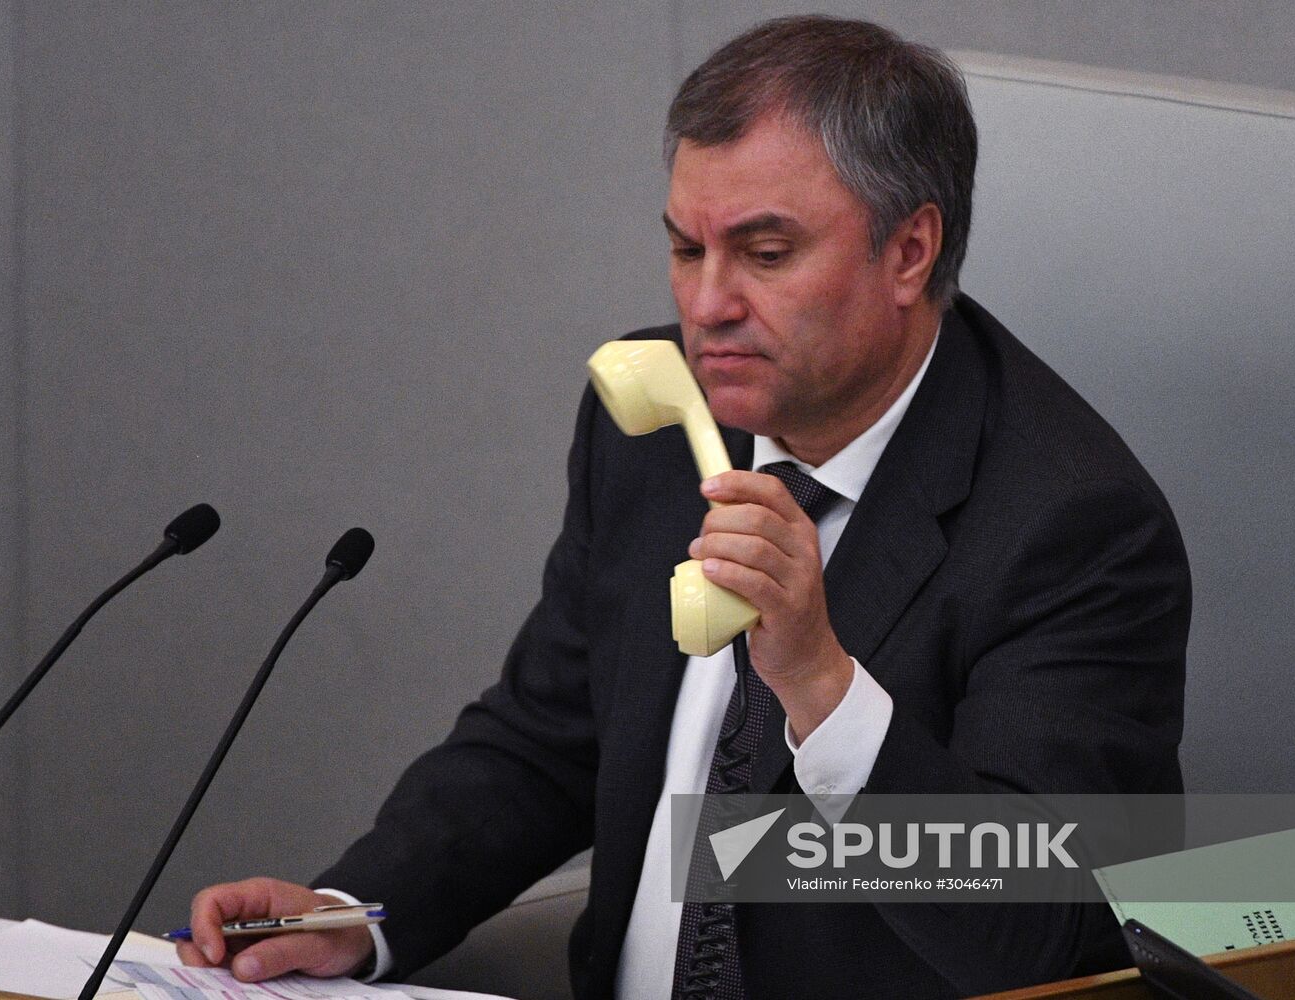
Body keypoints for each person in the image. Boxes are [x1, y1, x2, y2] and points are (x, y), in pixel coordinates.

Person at [178, 16, 1190, 999]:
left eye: (764, 252)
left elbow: (1049, 936)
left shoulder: (1073, 524)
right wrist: (352, 911)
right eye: (684, 248)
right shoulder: (654, 427)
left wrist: (822, 686)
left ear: (908, 253)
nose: (705, 305)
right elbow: (547, 736)